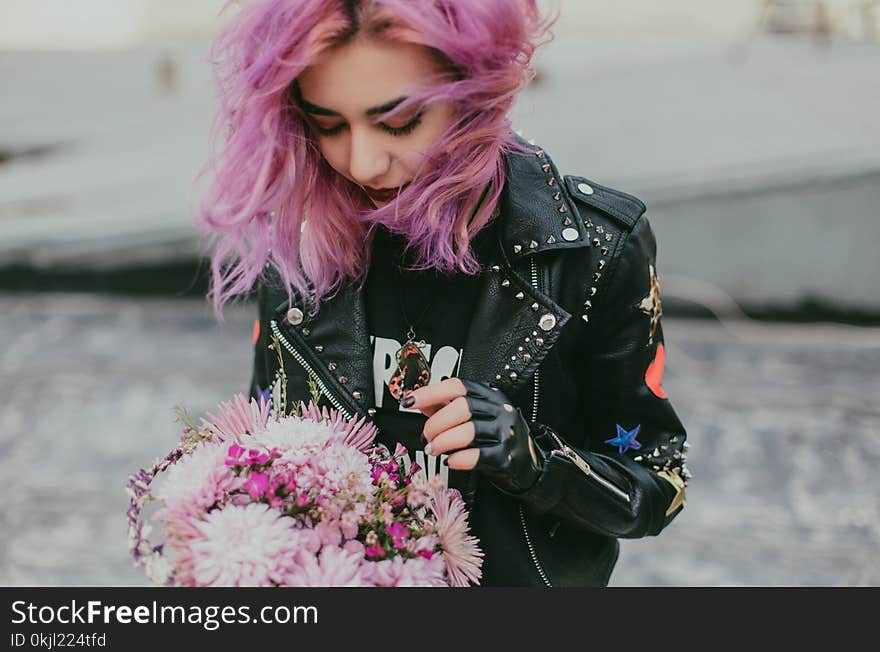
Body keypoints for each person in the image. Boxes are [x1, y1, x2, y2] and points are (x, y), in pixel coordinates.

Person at [194, 0, 690, 587]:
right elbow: (263, 449)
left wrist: (536, 462)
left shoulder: (594, 249)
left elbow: (658, 483)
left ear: (474, 90)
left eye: (399, 121)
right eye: (327, 124)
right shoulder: (301, 238)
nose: (362, 160)